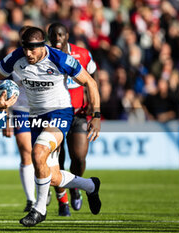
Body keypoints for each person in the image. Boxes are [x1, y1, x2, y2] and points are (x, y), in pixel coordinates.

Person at [0, 27, 102, 227]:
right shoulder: (15, 58)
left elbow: (90, 82)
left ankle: (39, 209)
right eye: (25, 49)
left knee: (37, 153)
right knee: (51, 175)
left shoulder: (61, 59)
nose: (28, 54)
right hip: (35, 116)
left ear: (43, 46)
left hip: (60, 113)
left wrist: (97, 115)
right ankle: (90, 185)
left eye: (32, 49)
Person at [47, 22, 98, 216]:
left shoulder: (83, 54)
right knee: (56, 160)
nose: (57, 39)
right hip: (55, 114)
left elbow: (94, 77)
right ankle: (62, 202)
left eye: (60, 35)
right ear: (48, 37)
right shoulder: (44, 56)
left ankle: (76, 185)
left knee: (79, 157)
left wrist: (95, 110)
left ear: (67, 35)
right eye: (53, 35)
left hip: (78, 114)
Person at [2, 25, 51, 213]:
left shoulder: (47, 57)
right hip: (20, 108)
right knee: (26, 151)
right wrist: (4, 118)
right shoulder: (12, 58)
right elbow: (2, 86)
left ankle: (45, 186)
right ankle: (31, 200)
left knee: (44, 153)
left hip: (43, 108)